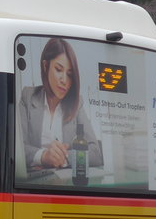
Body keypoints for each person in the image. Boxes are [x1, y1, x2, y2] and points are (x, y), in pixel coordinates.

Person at [18, 37, 101, 173]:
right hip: (33, 185)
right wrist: (44, 156)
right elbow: (17, 148)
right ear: (45, 66)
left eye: (69, 75)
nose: (64, 80)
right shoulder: (28, 97)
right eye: (58, 69)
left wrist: (63, 158)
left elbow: (95, 153)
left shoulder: (76, 103)